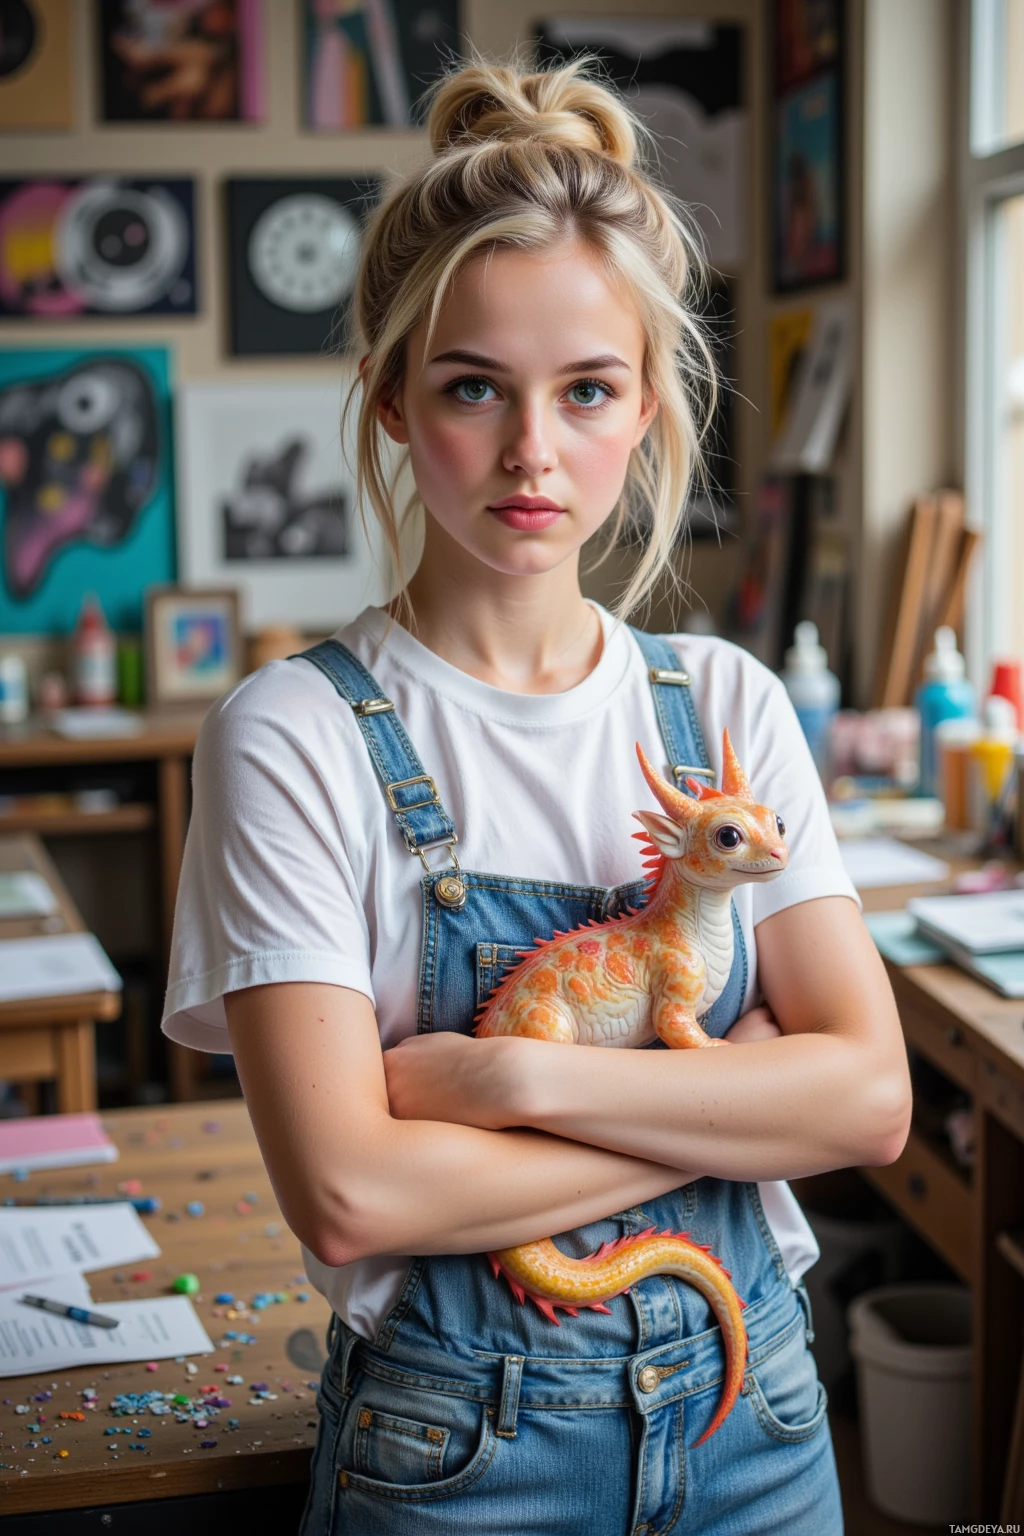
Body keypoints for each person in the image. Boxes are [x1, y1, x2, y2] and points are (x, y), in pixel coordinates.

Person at [162, 55, 911, 1536]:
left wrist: (503, 1086)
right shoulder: (292, 738)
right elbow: (354, 1199)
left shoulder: (730, 708)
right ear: (388, 401)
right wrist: (742, 1096)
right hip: (453, 1456)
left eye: (586, 391)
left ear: (645, 408)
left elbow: (872, 1101)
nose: (531, 453)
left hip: (755, 1423)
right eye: (471, 390)